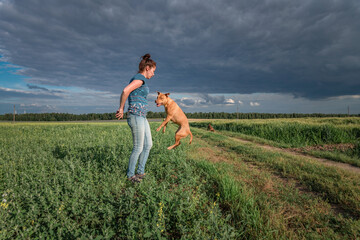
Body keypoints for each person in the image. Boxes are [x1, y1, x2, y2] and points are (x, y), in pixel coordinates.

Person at [116, 53, 156, 183]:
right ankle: (130, 175)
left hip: (142, 117)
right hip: (135, 115)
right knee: (138, 147)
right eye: (153, 71)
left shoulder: (140, 80)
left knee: (148, 144)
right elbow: (125, 91)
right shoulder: (140, 78)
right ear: (147, 68)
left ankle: (140, 172)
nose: (153, 74)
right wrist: (121, 108)